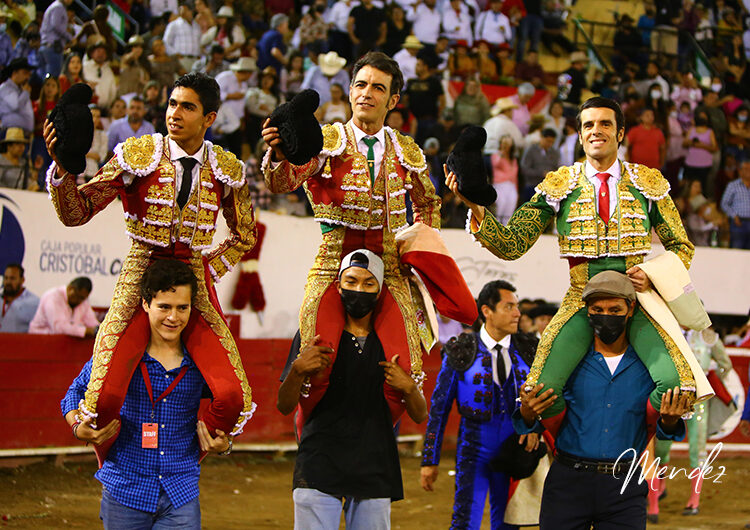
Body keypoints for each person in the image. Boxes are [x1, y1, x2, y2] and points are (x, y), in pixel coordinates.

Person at [447, 96, 699, 434]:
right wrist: (476, 209)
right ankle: (573, 449)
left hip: (636, 302)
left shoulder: (647, 183)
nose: (596, 131)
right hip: (583, 298)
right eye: (588, 125)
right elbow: (512, 244)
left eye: (605, 124)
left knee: (675, 386)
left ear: (620, 133)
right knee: (539, 392)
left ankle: (631, 441)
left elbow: (681, 245)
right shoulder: (559, 185)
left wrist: (652, 274)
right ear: (580, 136)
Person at [43, 72, 257, 462]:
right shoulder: (139, 155)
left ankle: (181, 462)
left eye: (187, 107)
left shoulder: (226, 168)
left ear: (209, 118)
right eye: (172, 103)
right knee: (104, 398)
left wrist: (208, 269)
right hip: (141, 271)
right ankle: (116, 469)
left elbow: (245, 235)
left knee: (232, 398)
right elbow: (77, 213)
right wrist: (65, 170)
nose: (174, 113)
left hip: (191, 277)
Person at [262, 51, 476, 410]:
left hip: (390, 266)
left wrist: (418, 250)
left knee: (406, 368)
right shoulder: (325, 140)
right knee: (316, 358)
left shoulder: (407, 149)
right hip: (333, 263)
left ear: (392, 100)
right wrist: (284, 154)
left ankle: (377, 438)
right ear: (349, 91)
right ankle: (314, 437)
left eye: (378, 88)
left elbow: (428, 203)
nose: (367, 93)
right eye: (360, 84)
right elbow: (282, 183)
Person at [61, 260, 233, 529]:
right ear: (145, 304)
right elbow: (75, 391)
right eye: (164, 306)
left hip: (181, 492)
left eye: (182, 308)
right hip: (125, 489)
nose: (173, 317)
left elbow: (228, 401)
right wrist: (76, 426)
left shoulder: (203, 361)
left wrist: (226, 445)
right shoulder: (120, 356)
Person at [515, 270, 691, 529]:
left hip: (625, 485)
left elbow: (663, 429)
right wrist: (528, 414)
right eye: (598, 309)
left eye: (614, 309)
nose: (605, 316)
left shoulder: (649, 365)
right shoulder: (567, 364)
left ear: (630, 309)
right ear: (587, 311)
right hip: (568, 483)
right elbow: (539, 417)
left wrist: (670, 421)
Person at [278, 250, 427, 529]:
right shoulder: (312, 334)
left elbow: (420, 415)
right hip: (319, 461)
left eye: (368, 284)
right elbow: (284, 405)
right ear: (337, 286)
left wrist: (408, 387)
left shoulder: (396, 344)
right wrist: (298, 370)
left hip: (375, 462)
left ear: (381, 290)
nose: (359, 290)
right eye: (351, 281)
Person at [421, 280, 539, 529]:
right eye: (509, 307)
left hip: (514, 448)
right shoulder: (461, 349)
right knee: (465, 520)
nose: (517, 313)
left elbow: (545, 398)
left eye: (516, 307)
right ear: (487, 311)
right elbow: (439, 409)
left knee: (509, 522)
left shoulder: (530, 349)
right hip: (474, 448)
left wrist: (535, 430)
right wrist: (430, 460)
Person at [649, 326, 732, 521]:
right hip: (672, 397)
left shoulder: (708, 336)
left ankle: (694, 500)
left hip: (700, 400)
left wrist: (711, 375)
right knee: (661, 446)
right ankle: (660, 485)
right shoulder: (668, 330)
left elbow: (725, 364)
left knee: (698, 448)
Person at [29, 277, 99, 337]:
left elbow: (93, 323)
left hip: (62, 344)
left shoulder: (83, 301)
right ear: (70, 288)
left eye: (83, 298)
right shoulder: (53, 297)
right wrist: (85, 331)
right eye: (78, 297)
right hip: (40, 341)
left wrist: (98, 330)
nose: (80, 301)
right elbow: (59, 327)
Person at [519, 127, 558, 201]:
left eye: (552, 142)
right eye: (548, 141)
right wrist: (541, 173)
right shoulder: (531, 150)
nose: (549, 144)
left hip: (548, 188)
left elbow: (555, 167)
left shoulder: (554, 152)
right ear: (542, 138)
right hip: (532, 186)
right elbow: (524, 169)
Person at [720, 158, 750, 249]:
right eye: (746, 169)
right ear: (740, 171)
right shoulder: (733, 186)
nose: (748, 171)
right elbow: (724, 203)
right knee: (737, 248)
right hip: (738, 223)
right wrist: (734, 216)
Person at [0, 263, 39, 333]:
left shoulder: (34, 303)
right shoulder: (1, 300)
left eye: (12, 278)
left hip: (21, 343)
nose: (8, 282)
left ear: (22, 280)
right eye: (6, 278)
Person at [163, 2, 202, 72]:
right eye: (181, 9)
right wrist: (174, 54)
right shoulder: (174, 25)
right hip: (182, 60)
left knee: (195, 82)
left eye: (186, 10)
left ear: (191, 11)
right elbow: (165, 42)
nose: (182, 11)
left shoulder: (197, 26)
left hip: (196, 60)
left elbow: (199, 42)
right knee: (181, 82)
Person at [38, 0, 73, 78]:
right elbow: (56, 25)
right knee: (52, 79)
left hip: (46, 46)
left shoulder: (56, 6)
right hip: (53, 47)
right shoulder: (58, 7)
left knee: (44, 79)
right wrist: (70, 37)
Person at [0, 58, 34, 135]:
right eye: (25, 73)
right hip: (10, 133)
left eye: (29, 74)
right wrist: (25, 93)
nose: (28, 77)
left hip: (22, 133)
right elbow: (16, 106)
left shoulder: (21, 89)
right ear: (15, 73)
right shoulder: (5, 88)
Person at [490, 135, 518, 224]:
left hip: (511, 185)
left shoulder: (513, 159)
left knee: (510, 205)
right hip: (500, 184)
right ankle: (497, 225)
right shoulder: (496, 155)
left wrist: (516, 188)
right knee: (501, 205)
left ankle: (506, 227)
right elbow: (496, 163)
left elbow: (515, 174)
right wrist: (502, 153)